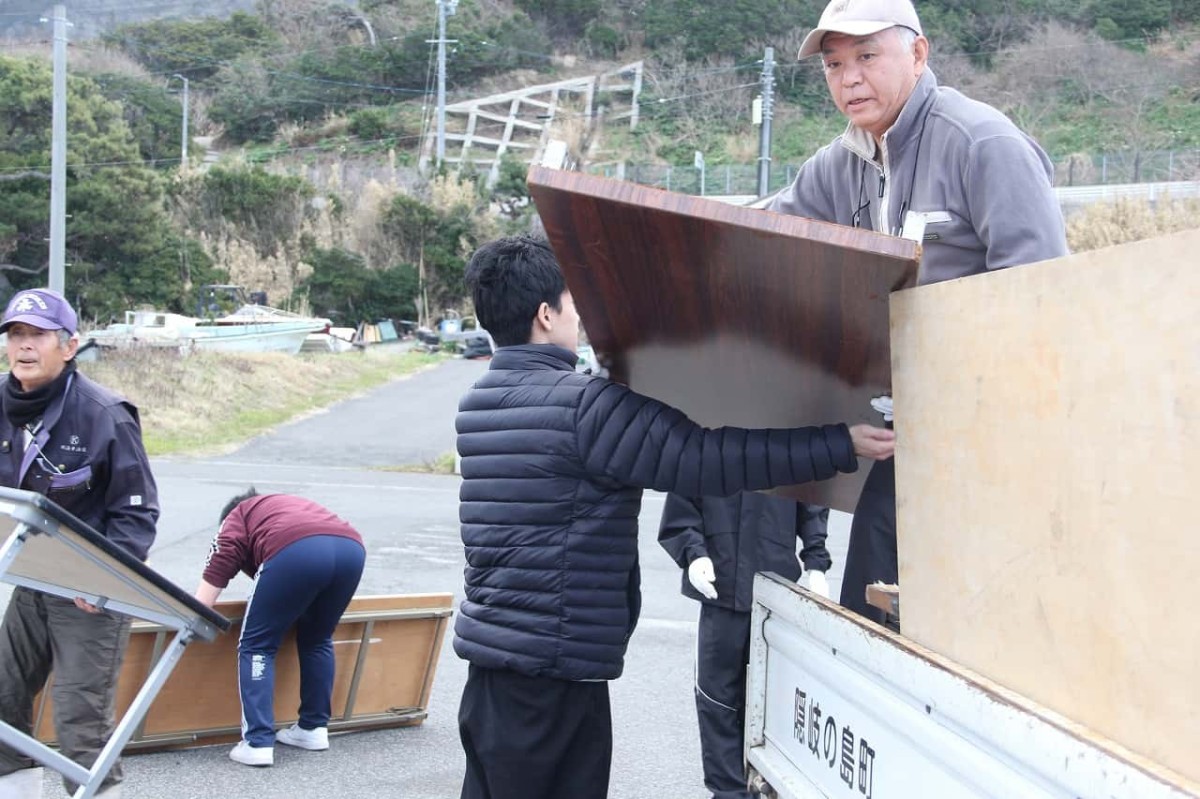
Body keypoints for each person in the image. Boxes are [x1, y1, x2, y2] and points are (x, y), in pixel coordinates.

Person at [453, 235, 896, 799]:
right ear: (546, 314)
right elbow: (707, 460)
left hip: (491, 674)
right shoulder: (583, 408)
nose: (582, 315)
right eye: (573, 301)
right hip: (553, 685)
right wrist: (838, 442)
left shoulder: (479, 402)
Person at [767, 0, 1070, 625]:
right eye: (833, 65)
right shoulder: (839, 165)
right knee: (872, 626)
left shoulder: (982, 143)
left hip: (989, 448)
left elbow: (1045, 299)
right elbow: (762, 236)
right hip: (902, 444)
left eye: (867, 57)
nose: (848, 78)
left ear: (918, 53)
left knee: (973, 636)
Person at [0, 288, 160, 799]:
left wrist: (103, 581)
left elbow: (136, 513)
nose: (24, 347)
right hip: (31, 575)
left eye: (38, 336)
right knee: (2, 697)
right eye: (16, 335)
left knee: (79, 719)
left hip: (88, 590)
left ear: (69, 347)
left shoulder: (104, 414)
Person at [659, 493, 831, 799]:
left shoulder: (787, 442)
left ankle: (760, 786)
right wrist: (693, 552)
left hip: (773, 587)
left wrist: (816, 560)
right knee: (717, 698)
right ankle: (728, 792)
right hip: (721, 585)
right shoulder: (707, 441)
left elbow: (810, 495)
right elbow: (684, 494)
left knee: (770, 702)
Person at [194, 489, 365, 768]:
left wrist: (199, 610)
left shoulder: (238, 514)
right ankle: (313, 729)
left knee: (256, 644)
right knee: (318, 638)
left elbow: (221, 557)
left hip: (297, 549)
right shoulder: (282, 507)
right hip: (351, 549)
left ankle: (258, 742)